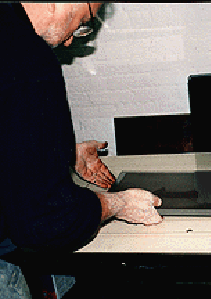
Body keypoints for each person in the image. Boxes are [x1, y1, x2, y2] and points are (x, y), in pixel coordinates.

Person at [0, 2, 163, 298]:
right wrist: (118, 204)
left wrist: (60, 151)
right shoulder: (30, 58)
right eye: (84, 20)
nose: (73, 37)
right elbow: (44, 221)